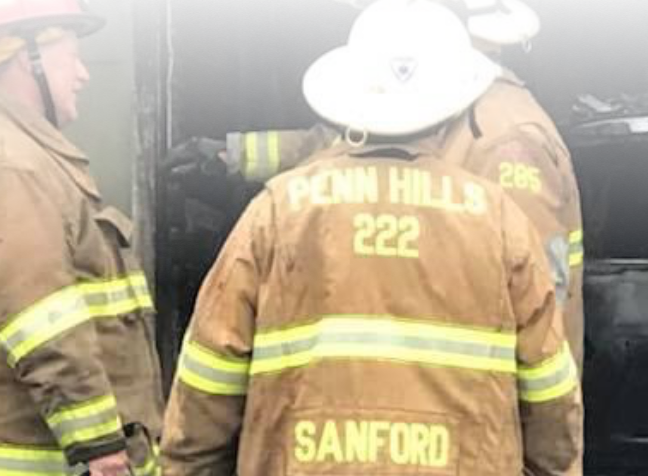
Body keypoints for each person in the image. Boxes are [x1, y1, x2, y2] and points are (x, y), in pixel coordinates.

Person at [159, 1, 583, 474]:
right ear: (457, 102)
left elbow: (209, 377)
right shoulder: (497, 219)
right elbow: (550, 393)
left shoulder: (278, 211)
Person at [0, 1, 164, 474]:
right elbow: (40, 321)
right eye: (71, 55)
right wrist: (100, 447)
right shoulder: (15, 166)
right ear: (25, 57)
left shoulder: (32, 157)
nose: (83, 74)